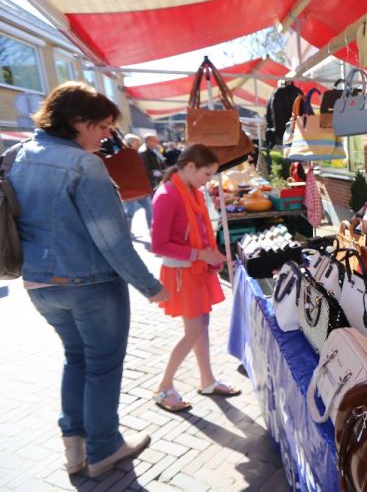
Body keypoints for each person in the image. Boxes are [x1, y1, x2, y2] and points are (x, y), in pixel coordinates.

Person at [4, 81, 169, 478]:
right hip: (90, 284)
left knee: (75, 359)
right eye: (103, 126)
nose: (107, 135)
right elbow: (113, 240)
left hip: (39, 284)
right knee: (101, 367)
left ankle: (74, 450)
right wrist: (151, 286)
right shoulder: (83, 164)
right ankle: (104, 448)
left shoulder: (18, 154)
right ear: (77, 120)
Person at [150, 144, 240, 412]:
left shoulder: (191, 191)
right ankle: (163, 386)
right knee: (195, 330)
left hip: (195, 269)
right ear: (190, 167)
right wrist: (201, 255)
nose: (208, 180)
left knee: (201, 326)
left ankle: (207, 380)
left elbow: (199, 232)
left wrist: (209, 256)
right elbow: (158, 245)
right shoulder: (167, 195)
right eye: (207, 174)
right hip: (182, 272)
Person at [122, 134, 153, 237]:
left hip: (140, 187)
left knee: (149, 209)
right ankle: (127, 232)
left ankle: (152, 230)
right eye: (137, 143)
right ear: (129, 143)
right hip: (130, 188)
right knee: (129, 212)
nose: (139, 144)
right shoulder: (123, 154)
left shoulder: (137, 153)